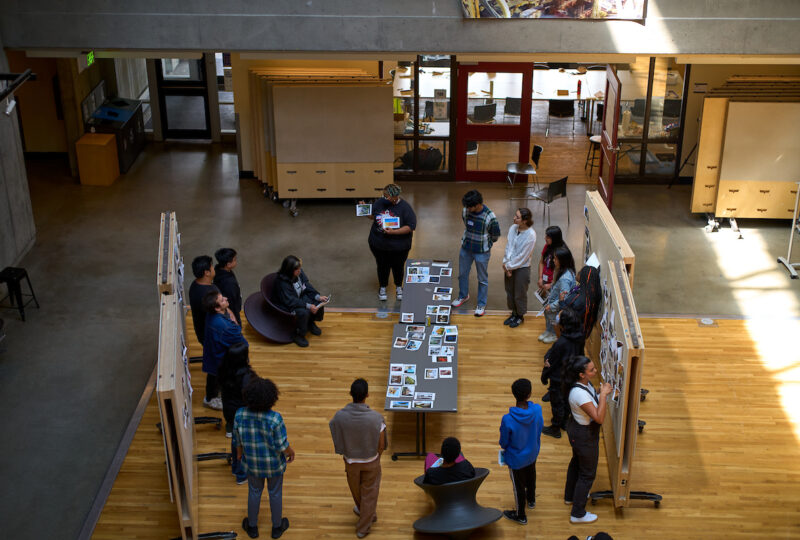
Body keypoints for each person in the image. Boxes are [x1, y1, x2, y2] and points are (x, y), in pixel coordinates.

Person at [234, 376, 294, 539]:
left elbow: (236, 439)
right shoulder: (275, 418)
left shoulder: (240, 414)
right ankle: (277, 527)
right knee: (275, 493)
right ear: (271, 399)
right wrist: (290, 452)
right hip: (274, 466)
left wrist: (239, 453)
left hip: (252, 464)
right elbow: (282, 445)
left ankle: (252, 526)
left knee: (254, 492)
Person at [329, 378, 387, 539]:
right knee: (369, 492)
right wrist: (377, 457)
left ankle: (365, 512)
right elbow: (381, 444)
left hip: (351, 461)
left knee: (356, 490)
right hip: (371, 461)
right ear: (367, 395)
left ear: (351, 394)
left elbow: (333, 428)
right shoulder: (376, 418)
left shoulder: (339, 416)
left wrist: (344, 450)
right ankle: (363, 526)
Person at [562, 355, 612, 525]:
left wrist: (598, 392)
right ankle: (577, 513)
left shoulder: (584, 384)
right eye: (591, 370)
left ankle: (570, 497)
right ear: (581, 375)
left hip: (578, 432)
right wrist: (604, 395)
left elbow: (590, 397)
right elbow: (598, 418)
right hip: (584, 435)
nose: (595, 371)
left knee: (576, 463)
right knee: (587, 474)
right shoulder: (578, 394)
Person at [499, 378, 544, 525]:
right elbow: (540, 428)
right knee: (532, 476)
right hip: (533, 453)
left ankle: (521, 515)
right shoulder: (537, 410)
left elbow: (504, 442)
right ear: (529, 394)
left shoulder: (507, 419)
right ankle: (531, 500)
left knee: (518, 487)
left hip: (516, 459)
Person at [361, 183, 417, 301]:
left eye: (387, 196)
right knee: (382, 266)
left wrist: (394, 232)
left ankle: (398, 287)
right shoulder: (380, 202)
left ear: (395, 197)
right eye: (383, 195)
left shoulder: (405, 207)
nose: (384, 198)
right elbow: (374, 216)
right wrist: (364, 209)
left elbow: (410, 226)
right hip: (378, 244)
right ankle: (382, 287)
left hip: (399, 246)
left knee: (398, 267)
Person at [452, 190, 501, 317]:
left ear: (478, 204)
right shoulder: (465, 211)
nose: (467, 209)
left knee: (482, 279)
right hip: (466, 248)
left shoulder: (490, 217)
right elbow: (466, 224)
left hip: (482, 252)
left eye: (469, 207)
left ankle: (481, 304)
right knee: (462, 274)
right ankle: (463, 296)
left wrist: (484, 241)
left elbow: (495, 235)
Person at [541, 307, 584, 438]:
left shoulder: (561, 343)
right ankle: (564, 423)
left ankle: (555, 428)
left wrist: (545, 373)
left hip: (558, 378)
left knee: (557, 404)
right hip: (571, 376)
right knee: (566, 401)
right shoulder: (580, 337)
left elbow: (551, 362)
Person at [218, 341, 256, 483]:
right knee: (244, 443)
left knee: (236, 440)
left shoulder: (224, 369)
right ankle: (241, 473)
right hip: (242, 413)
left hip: (229, 410)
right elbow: (249, 398)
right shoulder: (246, 377)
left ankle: (235, 467)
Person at [202, 290, 247, 410]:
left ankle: (210, 397)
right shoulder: (225, 327)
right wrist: (235, 324)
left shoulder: (212, 314)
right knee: (219, 377)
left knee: (213, 376)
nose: (226, 298)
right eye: (222, 300)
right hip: (222, 359)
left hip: (214, 354)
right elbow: (243, 343)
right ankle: (211, 400)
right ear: (217, 308)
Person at [272, 255, 328, 348]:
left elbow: (306, 285)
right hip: (287, 304)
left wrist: (318, 297)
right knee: (304, 312)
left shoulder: (299, 273)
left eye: (300, 268)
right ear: (290, 270)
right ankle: (298, 334)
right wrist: (309, 306)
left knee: (318, 302)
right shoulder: (282, 282)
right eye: (297, 269)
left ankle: (310, 322)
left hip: (299, 298)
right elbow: (290, 300)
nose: (300, 271)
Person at [502, 207, 537, 328]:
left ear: (525, 221)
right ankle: (514, 313)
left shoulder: (531, 235)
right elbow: (509, 247)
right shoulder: (513, 228)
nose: (514, 218)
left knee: (519, 293)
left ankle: (520, 316)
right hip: (509, 265)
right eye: (515, 215)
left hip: (522, 267)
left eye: (517, 217)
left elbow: (523, 256)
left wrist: (509, 266)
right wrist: (506, 263)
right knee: (510, 291)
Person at [541, 246, 576, 344]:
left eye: (555, 258)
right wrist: (551, 285)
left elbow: (565, 297)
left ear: (562, 260)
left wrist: (551, 306)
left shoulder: (565, 278)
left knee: (553, 320)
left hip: (555, 306)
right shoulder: (562, 270)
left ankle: (553, 334)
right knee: (548, 317)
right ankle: (548, 331)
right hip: (552, 302)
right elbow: (558, 284)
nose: (553, 260)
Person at [562, 265, 602, 340]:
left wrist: (561, 301)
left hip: (572, 332)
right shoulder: (591, 294)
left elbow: (565, 313)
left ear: (583, 277)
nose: (578, 273)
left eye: (580, 272)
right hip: (584, 332)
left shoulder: (580, 299)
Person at [188, 255, 218, 346]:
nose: (213, 268)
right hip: (212, 336)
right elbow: (217, 316)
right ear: (207, 273)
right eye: (212, 266)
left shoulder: (196, 283)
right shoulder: (206, 295)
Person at [214, 247, 242, 326]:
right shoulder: (229, 283)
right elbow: (232, 303)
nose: (236, 261)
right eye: (235, 260)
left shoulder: (218, 269)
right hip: (231, 308)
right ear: (228, 264)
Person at [537, 225, 566, 296]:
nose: (545, 238)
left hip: (555, 286)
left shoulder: (561, 252)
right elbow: (541, 262)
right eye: (545, 236)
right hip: (545, 282)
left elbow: (562, 273)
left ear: (554, 238)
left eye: (548, 237)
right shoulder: (547, 246)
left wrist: (551, 285)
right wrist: (541, 278)